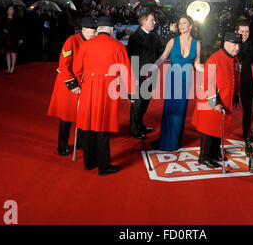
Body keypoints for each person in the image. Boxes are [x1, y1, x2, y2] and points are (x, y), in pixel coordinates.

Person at [73, 16, 136, 176]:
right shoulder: (118, 46)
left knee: (87, 125)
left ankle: (89, 163)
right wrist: (131, 92)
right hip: (107, 91)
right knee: (102, 127)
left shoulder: (86, 45)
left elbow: (76, 68)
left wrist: (84, 82)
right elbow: (126, 72)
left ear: (98, 29)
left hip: (88, 89)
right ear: (112, 30)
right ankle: (104, 166)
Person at [150, 15, 203, 151]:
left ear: (191, 26)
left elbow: (197, 65)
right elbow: (162, 58)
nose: (181, 26)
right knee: (170, 109)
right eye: (179, 23)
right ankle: (165, 141)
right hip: (173, 78)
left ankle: (174, 142)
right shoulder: (173, 41)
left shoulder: (197, 43)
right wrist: (151, 69)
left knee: (180, 111)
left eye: (184, 23)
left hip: (187, 79)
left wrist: (210, 71)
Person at [47, 17, 97, 156]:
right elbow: (63, 65)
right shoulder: (71, 41)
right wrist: (72, 84)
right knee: (66, 117)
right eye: (93, 31)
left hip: (85, 83)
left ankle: (80, 142)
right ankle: (62, 145)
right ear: (85, 30)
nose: (95, 34)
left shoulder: (92, 41)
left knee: (82, 114)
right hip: (69, 84)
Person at [192, 32, 241, 168]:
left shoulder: (235, 60)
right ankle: (204, 156)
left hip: (225, 99)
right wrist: (214, 103)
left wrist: (236, 95)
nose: (237, 48)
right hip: (211, 100)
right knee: (209, 130)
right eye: (234, 44)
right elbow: (209, 82)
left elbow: (237, 79)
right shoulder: (214, 59)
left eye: (238, 44)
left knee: (219, 128)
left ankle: (214, 152)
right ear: (225, 43)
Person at [127, 11, 160, 139]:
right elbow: (132, 59)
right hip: (139, 75)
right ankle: (134, 129)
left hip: (151, 74)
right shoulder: (135, 37)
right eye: (152, 20)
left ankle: (140, 125)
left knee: (145, 102)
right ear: (144, 21)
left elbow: (158, 52)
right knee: (138, 103)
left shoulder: (153, 36)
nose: (155, 22)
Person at [235, 20, 253, 141]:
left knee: (248, 108)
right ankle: (220, 133)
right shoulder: (231, 42)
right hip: (232, 79)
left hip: (247, 79)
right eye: (242, 32)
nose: (245, 34)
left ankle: (246, 133)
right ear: (236, 32)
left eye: (247, 32)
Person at [1, 5, 24, 74]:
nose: (10, 10)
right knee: (7, 53)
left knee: (13, 54)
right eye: (9, 9)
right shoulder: (4, 19)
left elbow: (20, 29)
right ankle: (8, 68)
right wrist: (3, 30)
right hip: (7, 38)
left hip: (14, 38)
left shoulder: (17, 18)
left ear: (13, 11)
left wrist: (21, 38)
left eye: (11, 9)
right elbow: (1, 27)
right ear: (7, 11)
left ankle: (12, 68)